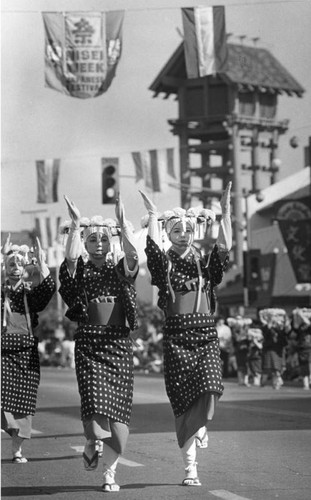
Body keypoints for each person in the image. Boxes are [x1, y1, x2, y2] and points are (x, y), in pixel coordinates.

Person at [140, 182, 232, 487]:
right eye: (177, 230)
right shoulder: (163, 264)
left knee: (211, 386)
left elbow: (224, 249)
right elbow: (152, 250)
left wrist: (225, 212)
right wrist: (153, 216)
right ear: (169, 233)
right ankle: (191, 469)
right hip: (177, 339)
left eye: (187, 230)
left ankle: (202, 424)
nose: (183, 235)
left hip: (205, 335)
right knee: (183, 406)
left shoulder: (203, 263)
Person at [58, 195, 138, 492]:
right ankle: (92, 439)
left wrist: (121, 224)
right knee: (94, 402)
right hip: (89, 345)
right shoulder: (80, 271)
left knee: (117, 410)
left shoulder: (119, 269)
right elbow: (67, 261)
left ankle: (110, 474)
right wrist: (77, 224)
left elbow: (132, 258)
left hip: (118, 344)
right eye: (92, 241)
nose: (99, 245)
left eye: (104, 240)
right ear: (85, 244)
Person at [1, 236, 56, 463]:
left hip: (26, 352)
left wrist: (42, 263)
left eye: (19, 264)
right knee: (2, 398)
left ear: (26, 268)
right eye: (11, 264)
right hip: (3, 352)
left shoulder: (30, 294)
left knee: (24, 401)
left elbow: (49, 288)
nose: (15, 268)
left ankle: (17, 450)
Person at [259, 308, 291, 389]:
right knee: (267, 368)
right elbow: (265, 334)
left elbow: (286, 333)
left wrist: (284, 322)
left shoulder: (281, 328)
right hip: (269, 349)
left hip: (279, 350)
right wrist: (269, 322)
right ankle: (263, 382)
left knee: (278, 368)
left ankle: (276, 383)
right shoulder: (266, 327)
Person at [227, 316, 252, 387]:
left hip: (246, 350)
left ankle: (246, 380)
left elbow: (249, 339)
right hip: (238, 350)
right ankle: (240, 380)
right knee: (240, 365)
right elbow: (236, 339)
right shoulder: (234, 330)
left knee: (246, 365)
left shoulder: (247, 329)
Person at [291, 308, 311, 390]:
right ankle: (306, 384)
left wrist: (301, 314)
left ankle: (309, 381)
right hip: (302, 348)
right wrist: (295, 315)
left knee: (309, 364)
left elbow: (308, 323)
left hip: (310, 347)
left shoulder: (308, 325)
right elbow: (295, 327)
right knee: (303, 366)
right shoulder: (300, 327)